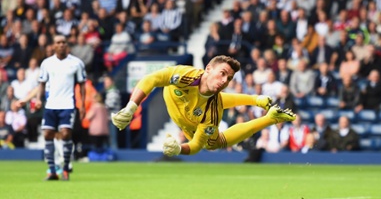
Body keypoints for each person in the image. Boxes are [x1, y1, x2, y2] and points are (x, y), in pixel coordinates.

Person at [111, 55, 296, 156]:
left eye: (229, 78)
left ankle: (269, 119)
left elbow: (196, 145)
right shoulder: (186, 75)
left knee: (213, 144)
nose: (225, 80)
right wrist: (131, 107)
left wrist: (179, 149)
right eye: (222, 73)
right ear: (208, 68)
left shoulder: (213, 113)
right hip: (183, 106)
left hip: (190, 124)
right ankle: (257, 100)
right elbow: (152, 78)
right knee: (216, 99)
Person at [36, 35, 86, 181]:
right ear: (53, 45)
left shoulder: (76, 63)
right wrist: (39, 99)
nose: (61, 45)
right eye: (58, 42)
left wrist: (82, 104)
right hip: (51, 104)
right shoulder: (47, 63)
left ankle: (65, 168)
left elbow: (82, 84)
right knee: (47, 135)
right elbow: (42, 83)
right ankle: (52, 170)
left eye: (64, 42)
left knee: (65, 133)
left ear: (67, 45)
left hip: (67, 104)